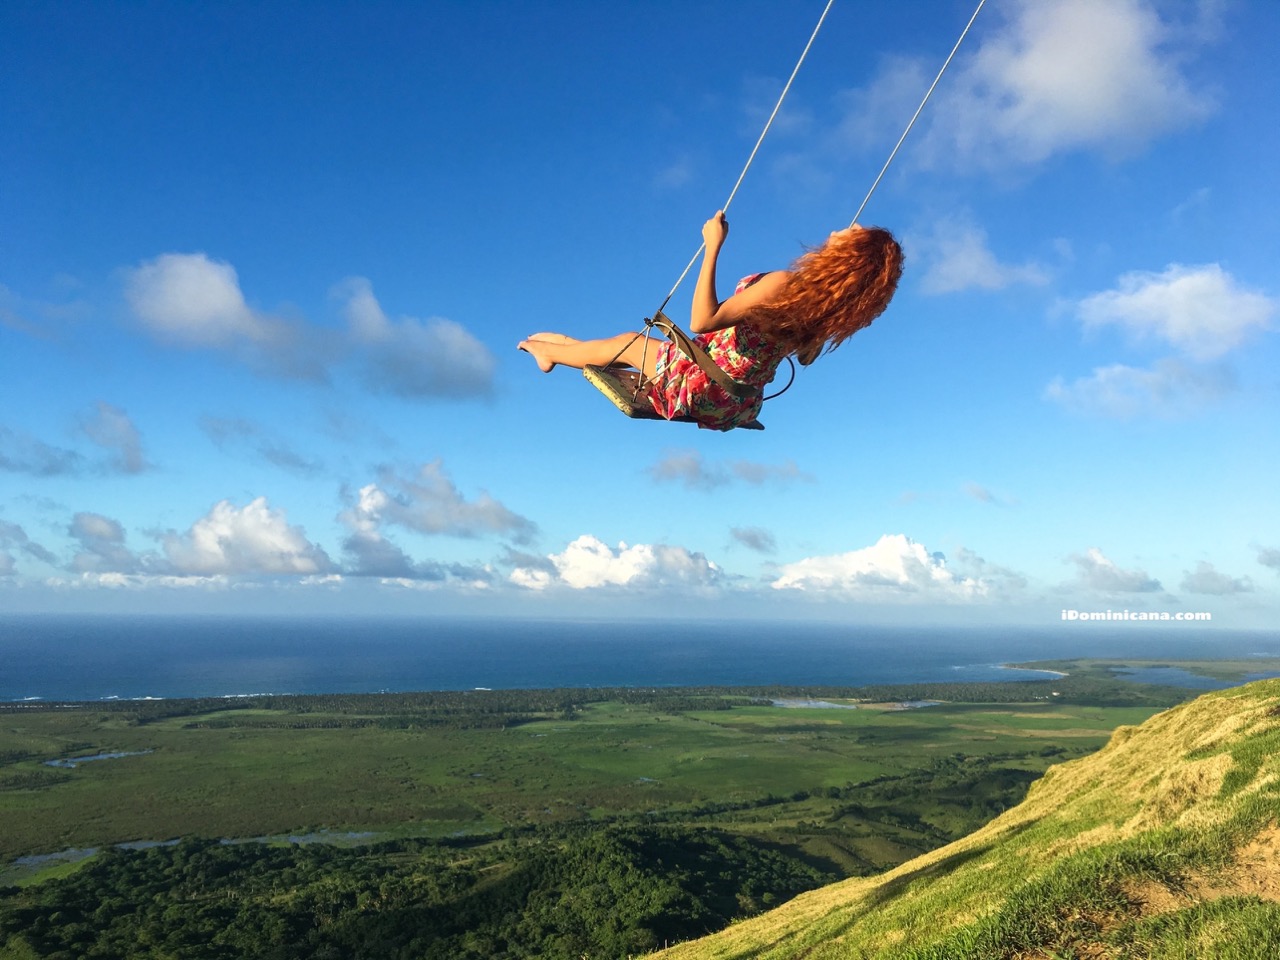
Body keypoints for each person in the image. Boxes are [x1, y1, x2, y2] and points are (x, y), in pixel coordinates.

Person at [518, 211, 903, 430]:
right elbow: (804, 356)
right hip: (737, 405)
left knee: (631, 343)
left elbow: (703, 320)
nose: (839, 229)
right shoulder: (823, 315)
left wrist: (712, 246)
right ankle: (567, 346)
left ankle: (548, 351)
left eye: (850, 234)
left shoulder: (784, 286)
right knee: (632, 350)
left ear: (847, 258)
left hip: (703, 384)